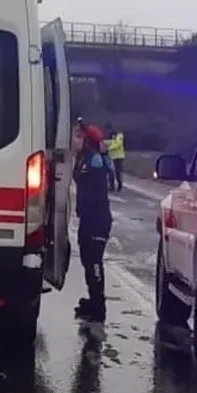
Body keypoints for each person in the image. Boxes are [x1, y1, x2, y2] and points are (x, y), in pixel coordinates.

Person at [73, 123, 113, 323]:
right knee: (87, 261)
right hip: (88, 219)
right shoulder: (84, 160)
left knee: (94, 261)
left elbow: (102, 170)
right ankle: (93, 299)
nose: (75, 140)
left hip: (97, 220)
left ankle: (99, 306)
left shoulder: (95, 162)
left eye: (79, 136)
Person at [105, 123, 126, 192]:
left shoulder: (119, 135)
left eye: (108, 130)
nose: (108, 132)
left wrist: (109, 148)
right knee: (110, 172)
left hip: (118, 157)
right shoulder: (109, 136)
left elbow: (118, 144)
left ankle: (119, 185)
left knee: (117, 172)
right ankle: (112, 186)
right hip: (111, 157)